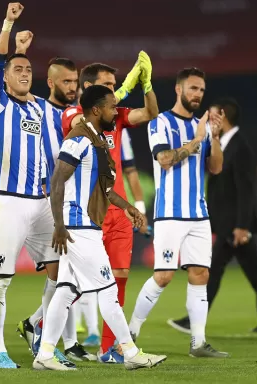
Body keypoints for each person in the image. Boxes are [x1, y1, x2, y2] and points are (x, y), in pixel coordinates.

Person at [33, 84, 166, 371]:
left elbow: (106, 189)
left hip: (86, 224)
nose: (114, 111)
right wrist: (59, 226)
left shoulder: (100, 142)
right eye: (110, 107)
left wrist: (128, 207)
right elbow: (57, 181)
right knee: (107, 289)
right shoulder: (77, 139)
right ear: (96, 110)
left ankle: (44, 354)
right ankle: (130, 353)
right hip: (77, 226)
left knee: (67, 290)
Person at [0, 3, 73, 369]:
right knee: (0, 280)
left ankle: (37, 328)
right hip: (7, 203)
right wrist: (9, 25)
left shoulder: (40, 109)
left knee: (63, 274)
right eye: (17, 69)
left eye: (28, 69)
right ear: (4, 78)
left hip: (40, 204)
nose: (24, 73)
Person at [61, 55, 159, 363]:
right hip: (87, 212)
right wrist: (131, 79)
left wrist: (146, 83)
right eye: (108, 86)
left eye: (116, 86)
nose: (114, 92)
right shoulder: (74, 115)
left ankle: (108, 348)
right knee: (71, 283)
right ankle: (39, 328)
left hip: (116, 208)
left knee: (119, 277)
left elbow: (151, 112)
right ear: (89, 89)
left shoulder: (115, 117)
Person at [127, 68, 229, 358]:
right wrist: (196, 141)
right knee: (164, 276)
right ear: (178, 89)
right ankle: (130, 332)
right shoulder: (160, 122)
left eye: (201, 90)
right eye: (193, 88)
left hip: (198, 213)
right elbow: (165, 160)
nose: (197, 94)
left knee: (200, 274)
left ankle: (198, 342)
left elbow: (216, 168)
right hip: (170, 213)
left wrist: (215, 137)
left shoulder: (203, 125)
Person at [168, 97, 257, 335]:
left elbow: (246, 189)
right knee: (254, 273)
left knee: (214, 270)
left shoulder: (240, 147)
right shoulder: (226, 145)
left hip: (234, 226)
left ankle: (194, 321)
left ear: (224, 118)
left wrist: (242, 226)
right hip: (228, 224)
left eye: (211, 117)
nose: (207, 121)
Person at [11, 33, 94, 362]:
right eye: (67, 81)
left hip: (69, 203)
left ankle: (41, 329)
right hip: (41, 202)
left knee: (68, 277)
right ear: (51, 82)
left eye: (76, 81)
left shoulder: (76, 113)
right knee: (67, 276)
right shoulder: (35, 109)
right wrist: (18, 50)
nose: (73, 86)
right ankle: (46, 336)